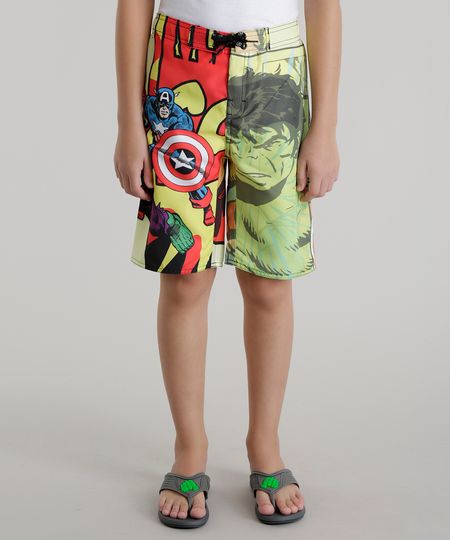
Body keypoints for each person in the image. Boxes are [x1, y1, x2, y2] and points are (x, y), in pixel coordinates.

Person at [113, 0, 341, 528]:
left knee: (269, 281)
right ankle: (189, 449)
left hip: (276, 72)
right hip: (178, 71)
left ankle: (265, 447)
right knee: (185, 277)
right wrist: (128, 125)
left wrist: (325, 128)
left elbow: (324, 7)